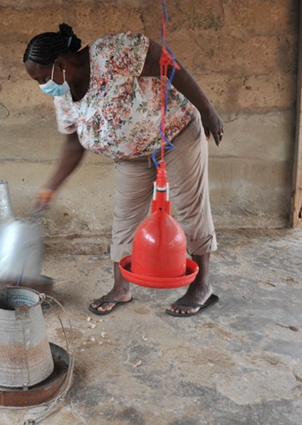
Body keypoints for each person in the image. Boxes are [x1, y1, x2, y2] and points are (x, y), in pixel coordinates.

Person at [23, 23, 224, 317]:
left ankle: (201, 286)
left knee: (190, 208)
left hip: (176, 133)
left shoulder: (112, 52)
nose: (42, 85)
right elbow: (72, 143)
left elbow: (169, 64)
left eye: (42, 78)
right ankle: (121, 287)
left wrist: (206, 109)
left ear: (60, 64)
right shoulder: (63, 95)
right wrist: (50, 187)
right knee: (125, 219)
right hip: (132, 153)